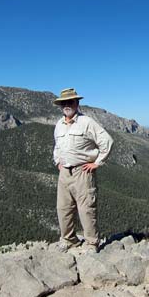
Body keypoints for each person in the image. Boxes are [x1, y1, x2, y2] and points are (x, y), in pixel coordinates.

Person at [53, 88, 114, 253]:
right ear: (60, 105)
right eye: (64, 103)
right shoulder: (59, 124)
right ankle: (68, 239)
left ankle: (92, 243)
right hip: (64, 173)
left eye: (70, 102)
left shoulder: (86, 122)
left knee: (86, 208)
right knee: (63, 209)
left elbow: (107, 141)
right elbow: (57, 147)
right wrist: (57, 161)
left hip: (83, 172)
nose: (67, 105)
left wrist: (98, 163)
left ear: (77, 103)